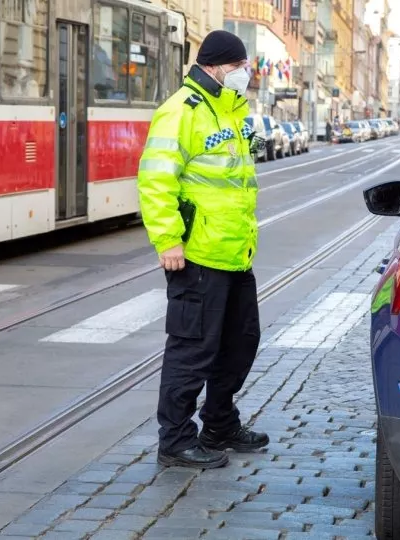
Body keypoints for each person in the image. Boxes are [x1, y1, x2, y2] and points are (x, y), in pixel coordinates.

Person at [137, 29, 269, 469]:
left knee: (240, 342)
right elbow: (156, 180)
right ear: (214, 66)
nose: (243, 74)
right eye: (237, 67)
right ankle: (175, 440)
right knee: (192, 350)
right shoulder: (181, 111)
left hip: (235, 252)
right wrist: (168, 239)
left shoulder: (230, 112)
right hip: (195, 255)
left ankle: (220, 423)